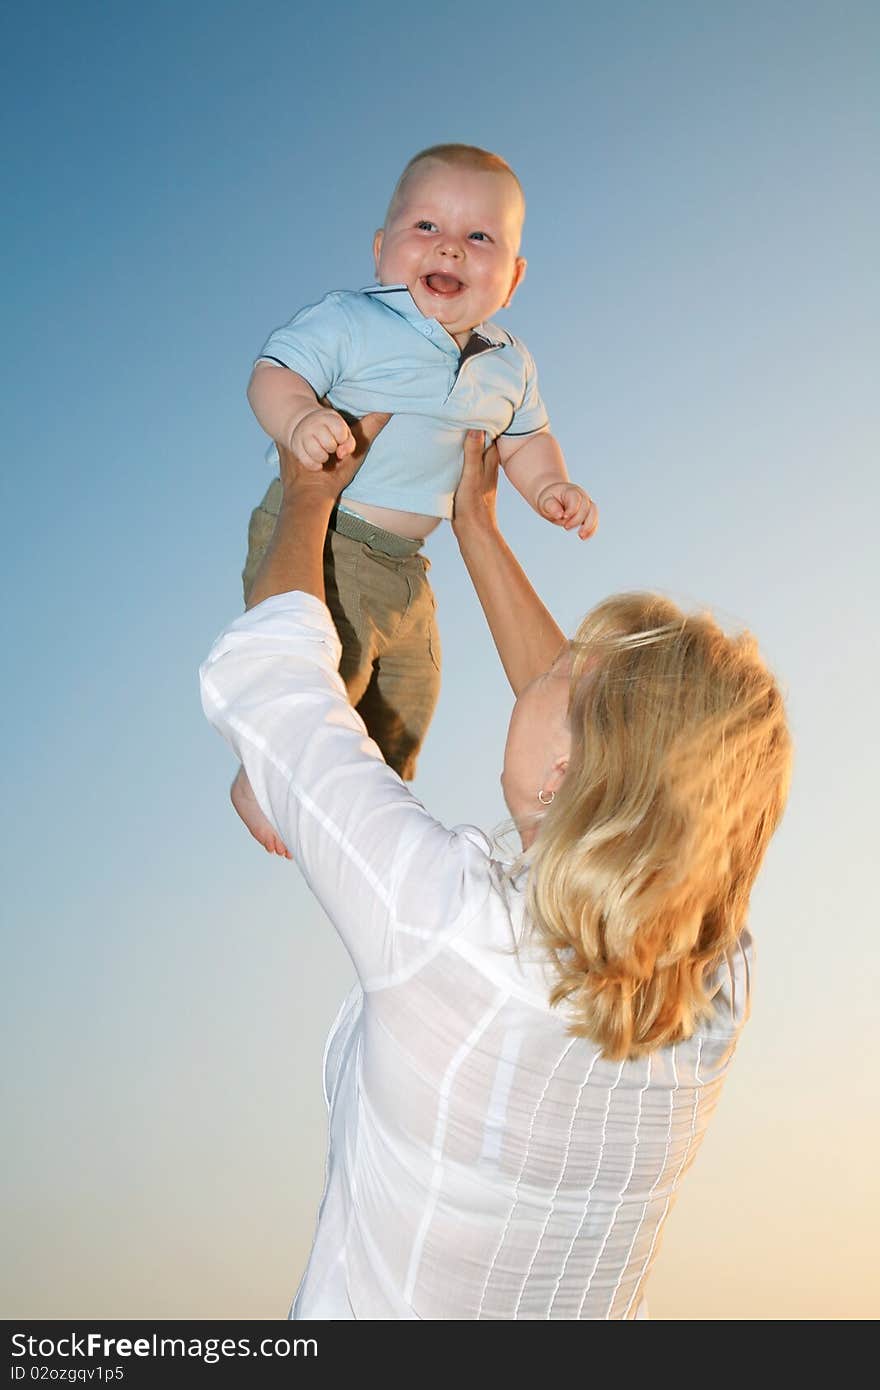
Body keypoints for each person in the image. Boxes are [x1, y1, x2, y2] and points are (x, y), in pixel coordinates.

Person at [200, 424, 791, 1320]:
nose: (546, 668)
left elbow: (273, 681)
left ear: (566, 775)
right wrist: (477, 528)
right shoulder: (716, 982)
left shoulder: (443, 926)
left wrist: (308, 495)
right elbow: (592, 756)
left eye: (570, 675)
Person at [232, 143, 596, 858]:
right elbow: (271, 374)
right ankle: (259, 775)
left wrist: (550, 486)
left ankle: (359, 812)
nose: (451, 250)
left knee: (407, 697)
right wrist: (301, 418)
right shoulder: (353, 321)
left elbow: (526, 441)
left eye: (479, 238)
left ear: (513, 278)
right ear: (381, 249)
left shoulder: (509, 365)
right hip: (328, 534)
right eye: (426, 228)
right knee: (331, 670)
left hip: (407, 564)